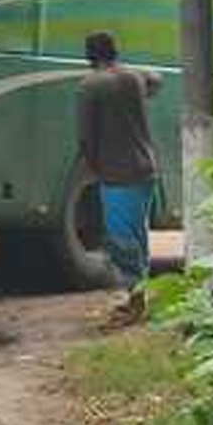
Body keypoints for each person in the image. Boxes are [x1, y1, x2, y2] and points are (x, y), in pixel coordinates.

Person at [78, 31, 163, 327]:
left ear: (89, 56)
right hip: (146, 169)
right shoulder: (134, 78)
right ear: (115, 51)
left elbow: (86, 137)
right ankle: (140, 298)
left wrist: (94, 167)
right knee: (137, 235)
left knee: (121, 239)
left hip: (118, 174)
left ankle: (137, 305)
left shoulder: (91, 85)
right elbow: (157, 79)